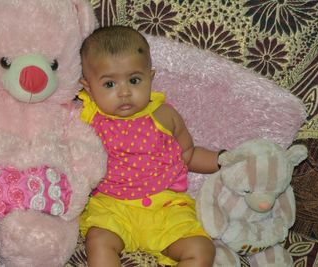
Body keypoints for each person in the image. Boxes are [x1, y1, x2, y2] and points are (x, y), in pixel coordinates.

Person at [78, 25, 219, 267]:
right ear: (88, 87)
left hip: (165, 206)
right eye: (109, 84)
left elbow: (189, 154)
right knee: (98, 239)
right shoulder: (87, 117)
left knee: (202, 248)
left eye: (134, 80)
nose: (124, 92)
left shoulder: (164, 116)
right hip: (113, 206)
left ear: (150, 77)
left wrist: (224, 160)